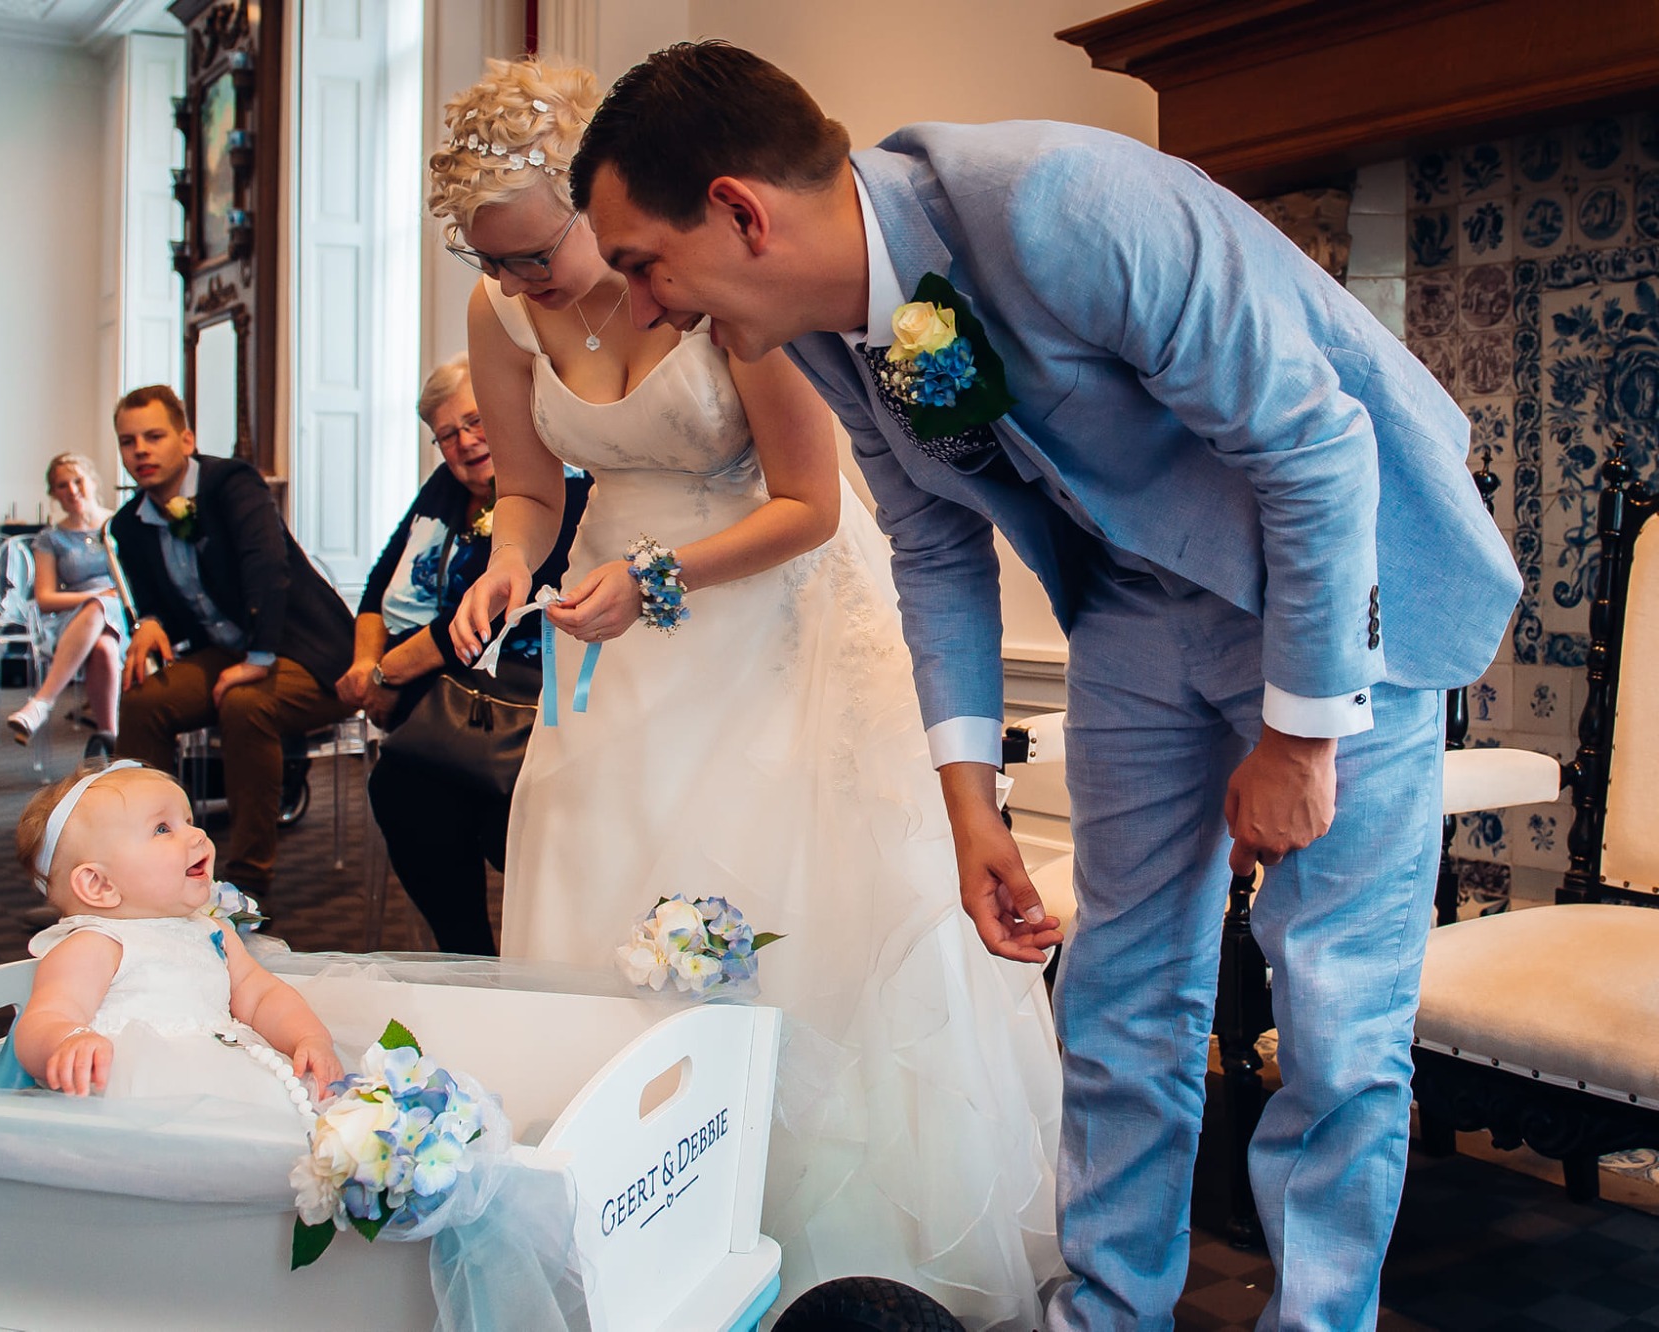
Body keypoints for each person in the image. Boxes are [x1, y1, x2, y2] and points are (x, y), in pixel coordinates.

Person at [570, 42, 1522, 1329]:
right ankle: (1109, 1311)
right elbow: (932, 543)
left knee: (1335, 1023)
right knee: (1119, 996)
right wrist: (970, 802)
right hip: (1129, 609)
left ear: (739, 211)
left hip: (1333, 605)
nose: (641, 308)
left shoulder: (1060, 202)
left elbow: (1312, 448)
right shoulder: (829, 332)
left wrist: (1300, 739)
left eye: (641, 263)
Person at [435, 60, 1064, 1327]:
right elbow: (531, 491)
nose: (518, 281)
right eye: (489, 261)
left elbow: (809, 503)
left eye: (536, 253)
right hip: (617, 653)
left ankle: (820, 1249)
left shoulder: (714, 290)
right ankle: (634, 1225)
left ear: (595, 204)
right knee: (603, 893)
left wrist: (654, 579)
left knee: (795, 917)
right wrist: (508, 564)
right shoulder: (500, 313)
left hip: (775, 623)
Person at [340, 355, 589, 955]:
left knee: (488, 800)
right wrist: (364, 665)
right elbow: (376, 587)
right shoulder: (445, 489)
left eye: (476, 422)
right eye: (447, 434)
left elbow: (489, 615)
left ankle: (533, 956)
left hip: (525, 695)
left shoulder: (562, 487)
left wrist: (386, 674)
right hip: (436, 701)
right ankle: (466, 956)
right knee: (403, 787)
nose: (465, 443)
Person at [108, 386, 356, 898]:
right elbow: (154, 602)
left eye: (154, 436)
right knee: (144, 702)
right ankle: (139, 871)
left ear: (186, 439)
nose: (141, 451)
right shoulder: (128, 527)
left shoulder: (232, 483)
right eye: (128, 442)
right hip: (228, 651)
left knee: (246, 704)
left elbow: (267, 567)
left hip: (309, 651)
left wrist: (259, 658)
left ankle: (246, 885)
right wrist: (148, 620)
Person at [12, 758, 343, 1103]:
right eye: (162, 829)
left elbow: (261, 996)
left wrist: (307, 1037)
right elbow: (46, 1018)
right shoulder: (96, 944)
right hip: (138, 1096)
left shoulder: (211, 931)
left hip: (226, 1076)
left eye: (188, 821)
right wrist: (68, 1039)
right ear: (100, 884)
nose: (198, 835)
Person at [5, 453, 130, 752]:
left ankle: (42, 702)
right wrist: (95, 597)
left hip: (123, 611)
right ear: (54, 494)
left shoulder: (121, 525)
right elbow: (45, 599)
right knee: (102, 640)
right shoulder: (50, 539)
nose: (72, 490)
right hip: (74, 617)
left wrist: (106, 599)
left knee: (103, 625)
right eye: (63, 485)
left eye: (78, 481)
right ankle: (110, 740)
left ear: (93, 482)